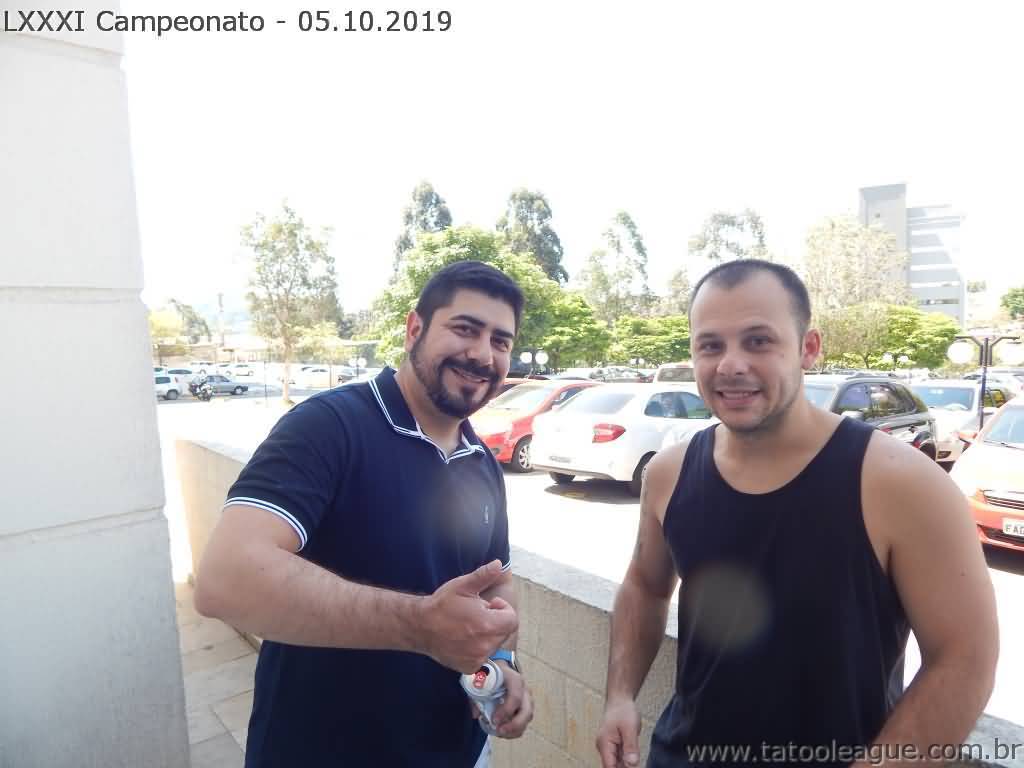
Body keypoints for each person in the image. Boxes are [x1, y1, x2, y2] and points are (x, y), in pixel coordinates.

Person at [596, 259, 998, 767]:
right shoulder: (669, 473)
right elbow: (645, 585)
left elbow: (964, 657)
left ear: (808, 348)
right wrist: (620, 696)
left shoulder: (900, 482)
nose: (730, 364)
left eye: (758, 341)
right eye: (710, 345)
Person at [194, 260, 534, 767]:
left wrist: (503, 663)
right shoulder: (328, 426)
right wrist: (420, 626)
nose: (483, 354)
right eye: (465, 329)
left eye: (500, 341)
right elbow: (225, 579)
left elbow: (496, 582)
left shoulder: (481, 461)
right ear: (414, 329)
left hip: (456, 752)